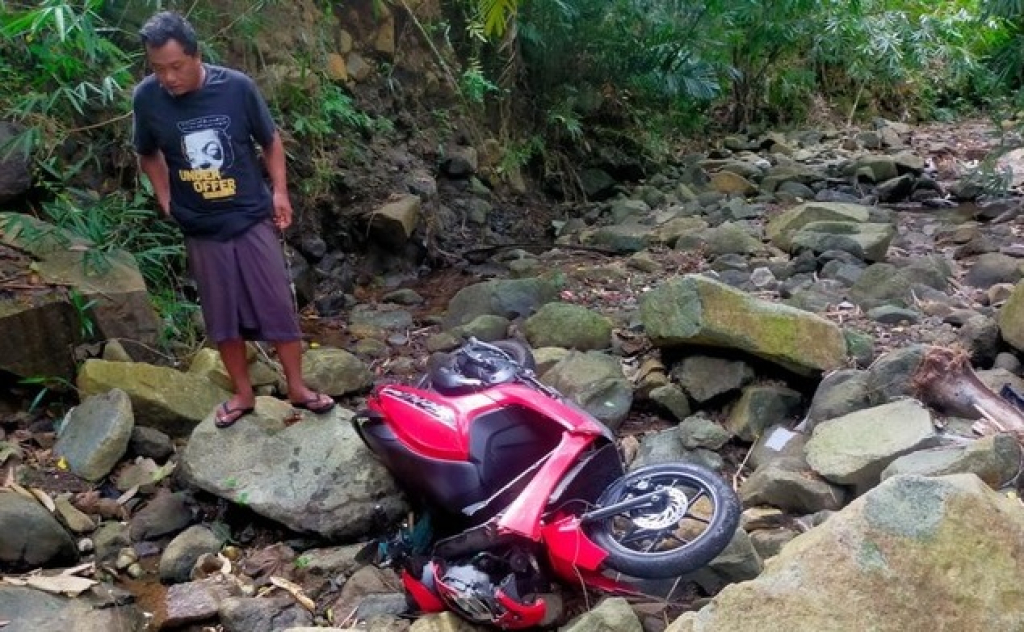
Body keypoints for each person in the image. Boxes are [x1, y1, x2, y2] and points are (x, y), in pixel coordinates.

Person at [132, 11, 335, 428]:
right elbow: (146, 152)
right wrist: (165, 197)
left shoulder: (237, 87)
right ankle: (243, 394)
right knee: (221, 314)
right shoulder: (147, 97)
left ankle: (297, 387)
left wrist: (280, 191)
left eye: (176, 66)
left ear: (196, 55)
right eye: (158, 69)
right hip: (200, 225)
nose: (168, 78)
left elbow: (270, 140)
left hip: (249, 215)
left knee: (276, 304)